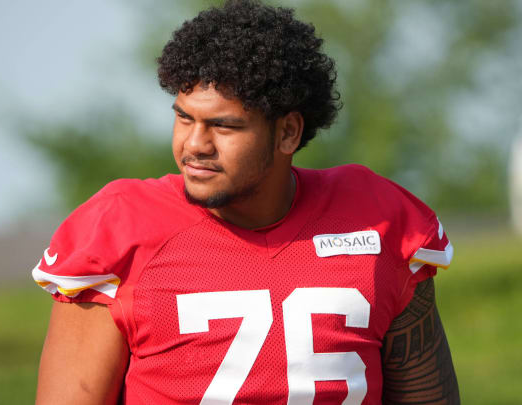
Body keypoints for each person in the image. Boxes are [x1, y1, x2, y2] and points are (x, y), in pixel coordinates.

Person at [32, 0, 460, 403]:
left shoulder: (378, 221)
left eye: (224, 126)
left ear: (288, 133)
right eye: (184, 117)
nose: (194, 145)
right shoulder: (119, 227)